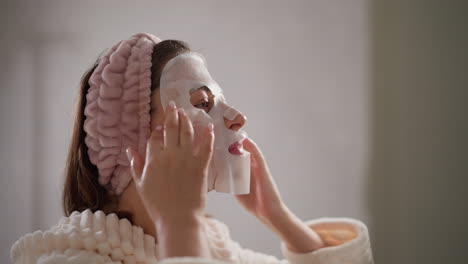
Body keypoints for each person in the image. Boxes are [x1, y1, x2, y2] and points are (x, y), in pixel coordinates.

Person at [10, 33, 374, 264]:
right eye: (202, 103)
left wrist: (278, 218)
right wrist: (179, 223)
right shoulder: (70, 260)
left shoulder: (222, 252)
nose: (237, 118)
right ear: (132, 142)